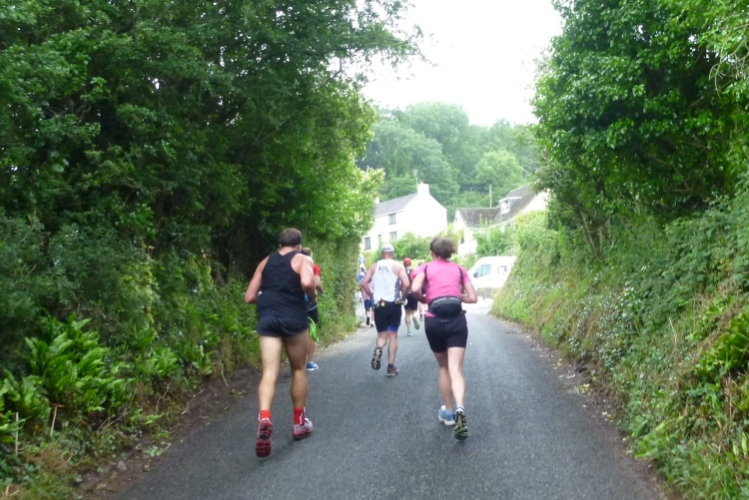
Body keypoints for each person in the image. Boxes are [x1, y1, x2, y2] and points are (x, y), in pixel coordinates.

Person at [244, 228, 316, 457]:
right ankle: (299, 423)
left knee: (269, 372)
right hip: (294, 318)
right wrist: (312, 298)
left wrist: (270, 300)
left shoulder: (265, 262)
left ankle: (264, 417)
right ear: (298, 245)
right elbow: (307, 281)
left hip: (268, 318)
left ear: (280, 244)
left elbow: (249, 297)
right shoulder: (302, 259)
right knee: (298, 369)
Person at [411, 237, 477, 440]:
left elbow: (415, 288)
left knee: (443, 367)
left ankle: (448, 413)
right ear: (450, 252)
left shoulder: (425, 268)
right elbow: (473, 298)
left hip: (435, 322)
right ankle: (460, 411)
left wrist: (425, 298)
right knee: (456, 368)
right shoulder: (459, 269)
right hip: (457, 320)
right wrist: (457, 296)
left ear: (432, 253)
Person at [360, 243, 410, 376]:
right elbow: (406, 284)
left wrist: (372, 295)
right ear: (392, 254)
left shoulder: (373, 266)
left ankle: (379, 348)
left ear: (382, 254)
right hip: (393, 304)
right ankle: (391, 367)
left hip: (379, 304)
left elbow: (363, 283)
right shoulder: (398, 266)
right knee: (393, 334)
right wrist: (402, 298)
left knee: (382, 335)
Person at [300, 247, 324, 371]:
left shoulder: (294, 265)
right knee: (311, 331)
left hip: (295, 302)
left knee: (299, 331)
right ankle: (309, 362)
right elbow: (317, 283)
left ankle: (298, 362)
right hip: (310, 302)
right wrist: (321, 291)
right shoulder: (313, 267)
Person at [402, 258, 420, 336]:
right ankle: (415, 317)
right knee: (414, 310)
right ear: (410, 263)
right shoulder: (414, 272)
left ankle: (409, 330)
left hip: (405, 294)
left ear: (404, 264)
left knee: (407, 313)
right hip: (413, 292)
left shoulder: (402, 272)